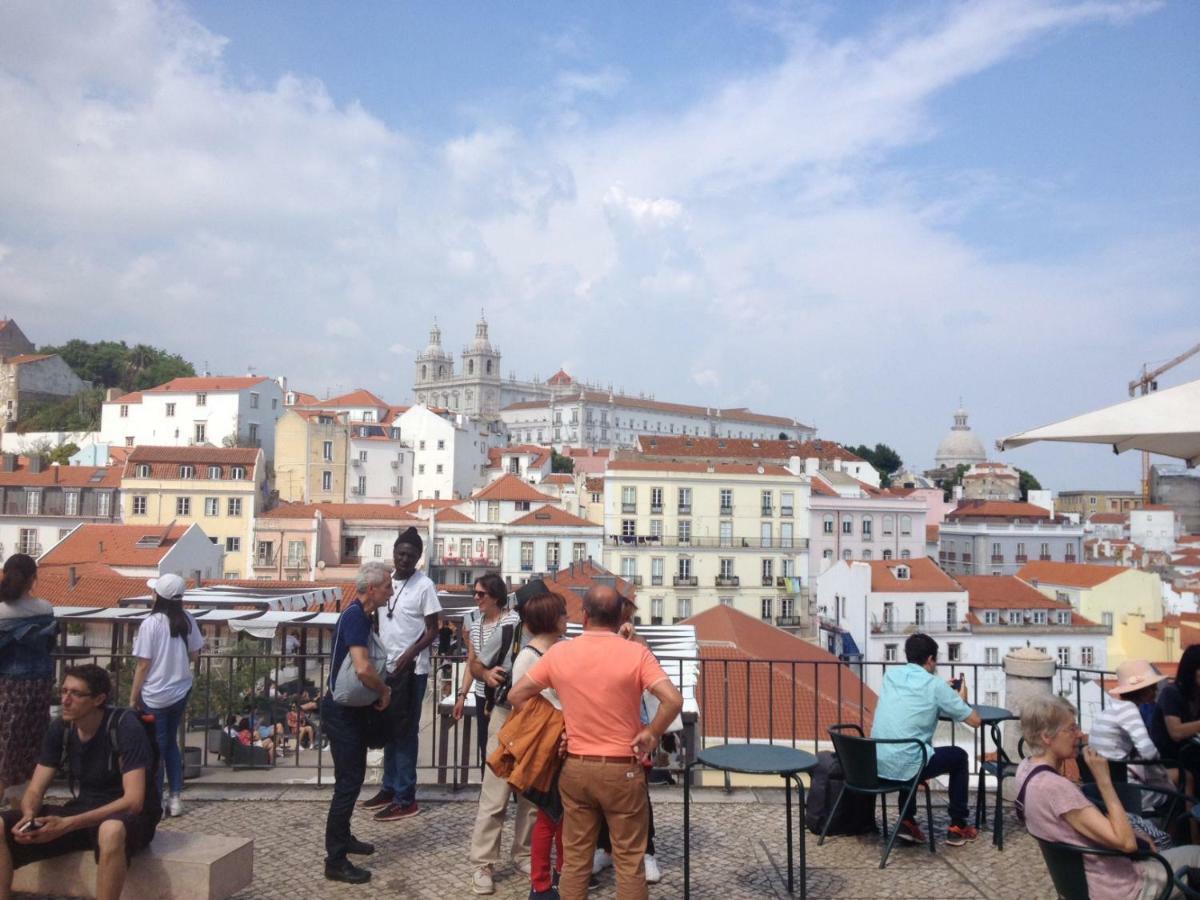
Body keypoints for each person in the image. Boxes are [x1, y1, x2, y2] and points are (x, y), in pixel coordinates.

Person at [508, 586, 683, 900]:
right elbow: (672, 700)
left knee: (575, 862)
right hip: (623, 769)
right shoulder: (636, 653)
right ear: (619, 617)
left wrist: (557, 726)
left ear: (584, 615)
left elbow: (516, 695)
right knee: (630, 862)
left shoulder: (560, 653)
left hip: (576, 767)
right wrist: (651, 733)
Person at [1014, 694, 1200, 900]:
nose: (1079, 734)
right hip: (1121, 888)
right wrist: (1104, 781)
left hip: (1082, 884)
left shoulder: (1025, 769)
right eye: (1072, 728)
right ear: (1046, 737)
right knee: (1196, 855)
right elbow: (1126, 843)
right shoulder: (1056, 789)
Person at [0, 664, 158, 900]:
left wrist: (68, 824)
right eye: (63, 691)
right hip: (81, 812)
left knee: (110, 830)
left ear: (99, 699)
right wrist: (29, 816)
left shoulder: (125, 726)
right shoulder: (60, 728)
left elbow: (133, 801)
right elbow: (35, 787)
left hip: (128, 818)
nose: (65, 700)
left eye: (75, 693)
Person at [870, 632, 981, 846]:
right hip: (907, 763)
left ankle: (907, 820)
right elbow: (975, 721)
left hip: (878, 760)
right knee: (958, 757)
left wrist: (942, 693)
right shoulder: (935, 686)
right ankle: (957, 825)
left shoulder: (890, 677)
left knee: (907, 745)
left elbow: (909, 706)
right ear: (930, 659)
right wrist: (958, 699)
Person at [459, 574, 532, 894]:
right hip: (504, 717)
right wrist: (485, 674)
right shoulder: (507, 632)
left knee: (531, 795)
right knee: (495, 792)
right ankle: (482, 863)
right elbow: (474, 664)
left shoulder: (556, 641)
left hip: (535, 722)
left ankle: (525, 853)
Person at [362, 526, 441, 822]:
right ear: (393, 553)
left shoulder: (425, 586)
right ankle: (389, 787)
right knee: (388, 729)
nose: (404, 559)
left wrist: (410, 653)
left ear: (419, 557)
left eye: (410, 555)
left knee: (405, 732)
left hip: (413, 671)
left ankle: (406, 797)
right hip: (388, 668)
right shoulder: (386, 583)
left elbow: (433, 629)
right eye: (400, 553)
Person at [322, 561, 393, 885]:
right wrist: (384, 690)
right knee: (348, 783)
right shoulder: (355, 617)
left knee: (350, 778)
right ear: (373, 588)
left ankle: (344, 838)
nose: (391, 591)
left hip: (347, 711)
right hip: (342, 713)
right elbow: (363, 668)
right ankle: (335, 860)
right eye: (387, 586)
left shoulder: (362, 615)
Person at [128, 573, 203, 818]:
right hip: (180, 689)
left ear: (158, 596)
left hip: (155, 693)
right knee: (170, 743)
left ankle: (157, 801)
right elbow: (194, 655)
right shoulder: (188, 620)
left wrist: (133, 698)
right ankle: (176, 797)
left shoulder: (151, 624)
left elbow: (143, 664)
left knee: (155, 748)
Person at [512, 591, 569, 900]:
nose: (567, 619)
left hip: (561, 742)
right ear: (550, 620)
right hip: (548, 746)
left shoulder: (558, 650)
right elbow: (523, 703)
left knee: (562, 816)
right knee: (549, 816)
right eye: (562, 614)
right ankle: (542, 883)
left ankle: (561, 875)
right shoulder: (529, 658)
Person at [0, 554, 55, 809]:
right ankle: (24, 810)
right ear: (34, 578)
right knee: (32, 748)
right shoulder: (45, 609)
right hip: (40, 686)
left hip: (9, 687)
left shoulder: (1, 612)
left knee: (5, 749)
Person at [1091, 660, 1175, 796]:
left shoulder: (1113, 707)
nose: (1156, 690)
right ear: (1142, 690)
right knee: (1182, 780)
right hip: (1128, 791)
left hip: (1105, 783)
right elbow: (1148, 752)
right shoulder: (1129, 710)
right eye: (1152, 687)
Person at [1150, 645, 1200, 787]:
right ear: (1190, 671)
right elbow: (1176, 732)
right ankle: (1190, 809)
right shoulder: (1171, 693)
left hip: (1190, 754)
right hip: (1169, 759)